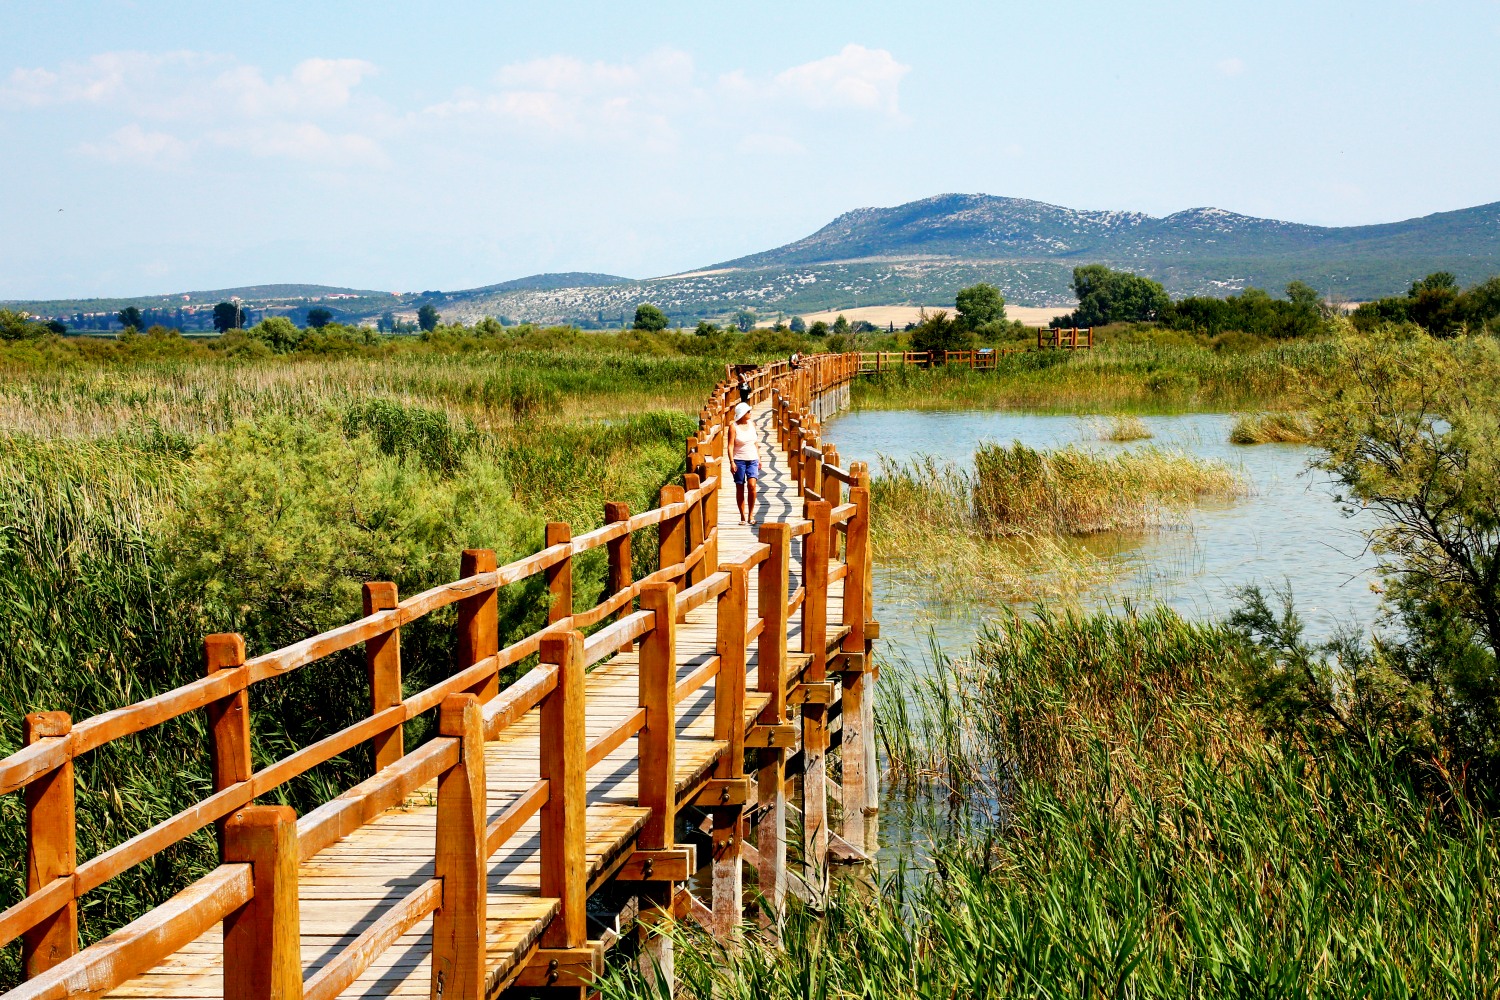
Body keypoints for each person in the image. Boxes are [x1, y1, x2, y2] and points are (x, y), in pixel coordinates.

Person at [731, 401, 760, 524]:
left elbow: (755, 443)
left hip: (753, 459)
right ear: (742, 414)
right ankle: (742, 516)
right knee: (740, 487)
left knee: (752, 485)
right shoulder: (734, 427)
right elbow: (730, 445)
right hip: (739, 460)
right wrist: (732, 462)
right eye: (748, 411)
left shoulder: (752, 424)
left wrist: (760, 458)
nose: (750, 413)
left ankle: (751, 515)